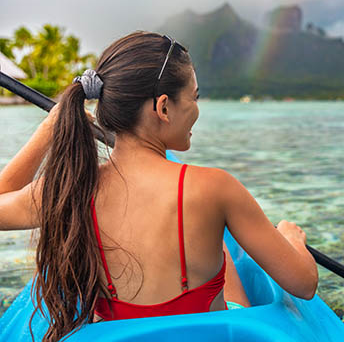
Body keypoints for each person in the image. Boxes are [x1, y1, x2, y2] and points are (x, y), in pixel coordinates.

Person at [0, 31, 318, 342]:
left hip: (121, 334)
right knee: (217, 243)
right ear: (163, 107)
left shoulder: (69, 190)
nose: (196, 108)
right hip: (206, 334)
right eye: (194, 97)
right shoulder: (216, 188)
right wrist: (291, 239)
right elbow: (303, 285)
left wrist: (49, 130)